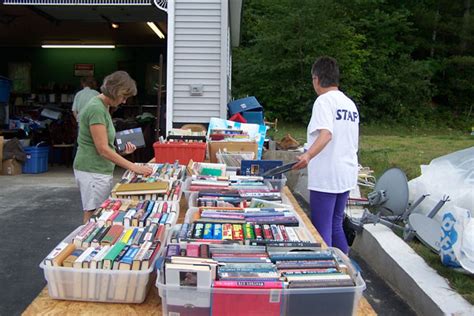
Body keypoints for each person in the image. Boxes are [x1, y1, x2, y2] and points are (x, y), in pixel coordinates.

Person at [293, 57, 359, 254]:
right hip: (346, 173)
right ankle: (347, 270)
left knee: (321, 230)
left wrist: (308, 155)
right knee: (336, 223)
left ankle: (330, 273)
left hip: (327, 175)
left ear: (316, 78)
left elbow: (326, 134)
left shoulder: (323, 101)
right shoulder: (349, 104)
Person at [73, 71, 153, 223]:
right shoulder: (96, 109)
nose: (123, 102)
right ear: (115, 91)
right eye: (123, 97)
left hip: (98, 169)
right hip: (92, 170)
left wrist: (122, 152)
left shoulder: (102, 107)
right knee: (94, 214)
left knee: (97, 212)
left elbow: (104, 146)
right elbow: (102, 149)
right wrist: (133, 167)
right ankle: (85, 244)